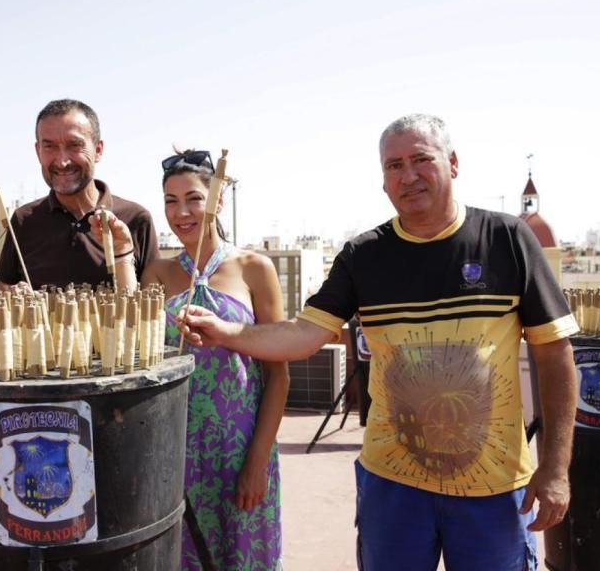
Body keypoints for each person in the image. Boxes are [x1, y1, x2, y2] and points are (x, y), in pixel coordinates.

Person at [180, 115, 578, 571]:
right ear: (383, 180)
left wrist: (555, 469)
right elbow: (304, 335)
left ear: (452, 163)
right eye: (394, 166)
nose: (408, 176)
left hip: (493, 489)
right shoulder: (365, 255)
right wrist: (225, 331)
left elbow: (555, 355)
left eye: (421, 160)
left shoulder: (507, 239)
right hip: (393, 488)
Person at [141, 149, 287, 568]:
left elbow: (277, 375)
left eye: (193, 198)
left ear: (218, 200)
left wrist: (258, 461)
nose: (181, 212)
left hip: (240, 448)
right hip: (177, 452)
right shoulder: (158, 274)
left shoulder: (253, 268)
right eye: (170, 200)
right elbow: (141, 356)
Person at [0, 98, 159, 290]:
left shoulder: (135, 219)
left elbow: (154, 304)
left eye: (74, 145)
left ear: (98, 150)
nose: (62, 161)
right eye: (50, 146)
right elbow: (3, 295)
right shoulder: (23, 221)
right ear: (38, 151)